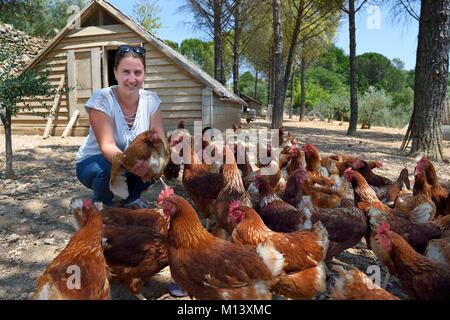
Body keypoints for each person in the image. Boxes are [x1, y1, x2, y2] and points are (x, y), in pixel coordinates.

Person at [75, 45, 167, 208]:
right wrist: (132, 166)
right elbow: (107, 145)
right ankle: (103, 203)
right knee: (110, 167)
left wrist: (152, 163)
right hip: (95, 162)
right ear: (115, 72)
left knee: (154, 167)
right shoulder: (102, 99)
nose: (132, 79)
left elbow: (161, 142)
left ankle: (130, 197)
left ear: (144, 74)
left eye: (137, 72)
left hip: (132, 165)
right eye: (126, 72)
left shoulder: (151, 100)